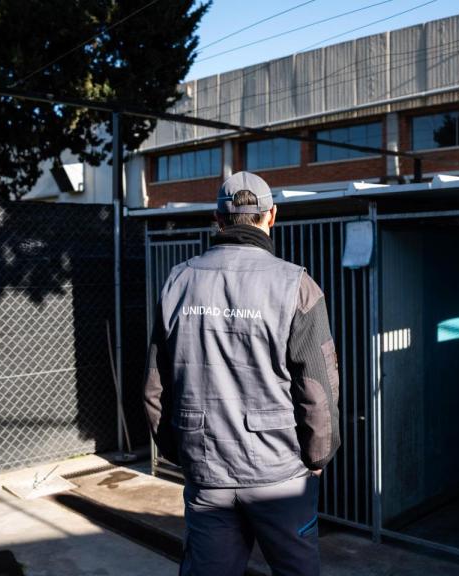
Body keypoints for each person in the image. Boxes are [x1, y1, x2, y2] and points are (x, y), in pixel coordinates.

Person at [144, 171, 341, 576]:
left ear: (218, 219)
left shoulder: (178, 282)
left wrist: (181, 452)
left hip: (207, 470)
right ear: (272, 216)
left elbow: (154, 388)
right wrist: (318, 455)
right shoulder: (297, 285)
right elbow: (318, 388)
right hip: (281, 474)